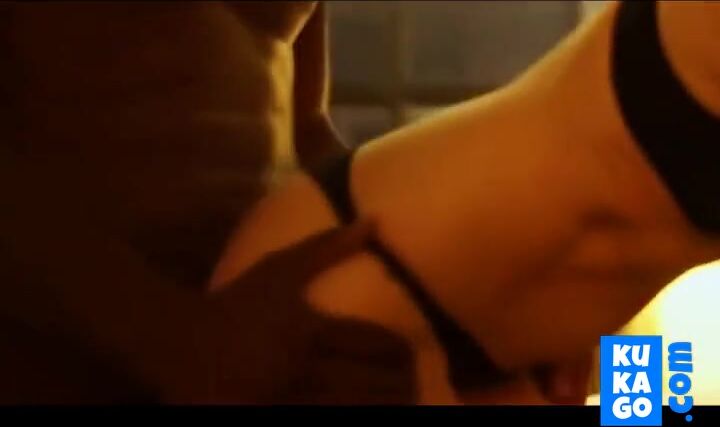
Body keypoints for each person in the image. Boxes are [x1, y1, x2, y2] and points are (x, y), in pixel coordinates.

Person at [0, 0, 717, 404]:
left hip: (297, 322)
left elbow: (302, 121)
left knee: (646, 389)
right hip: (86, 355)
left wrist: (501, 281)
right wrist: (177, 339)